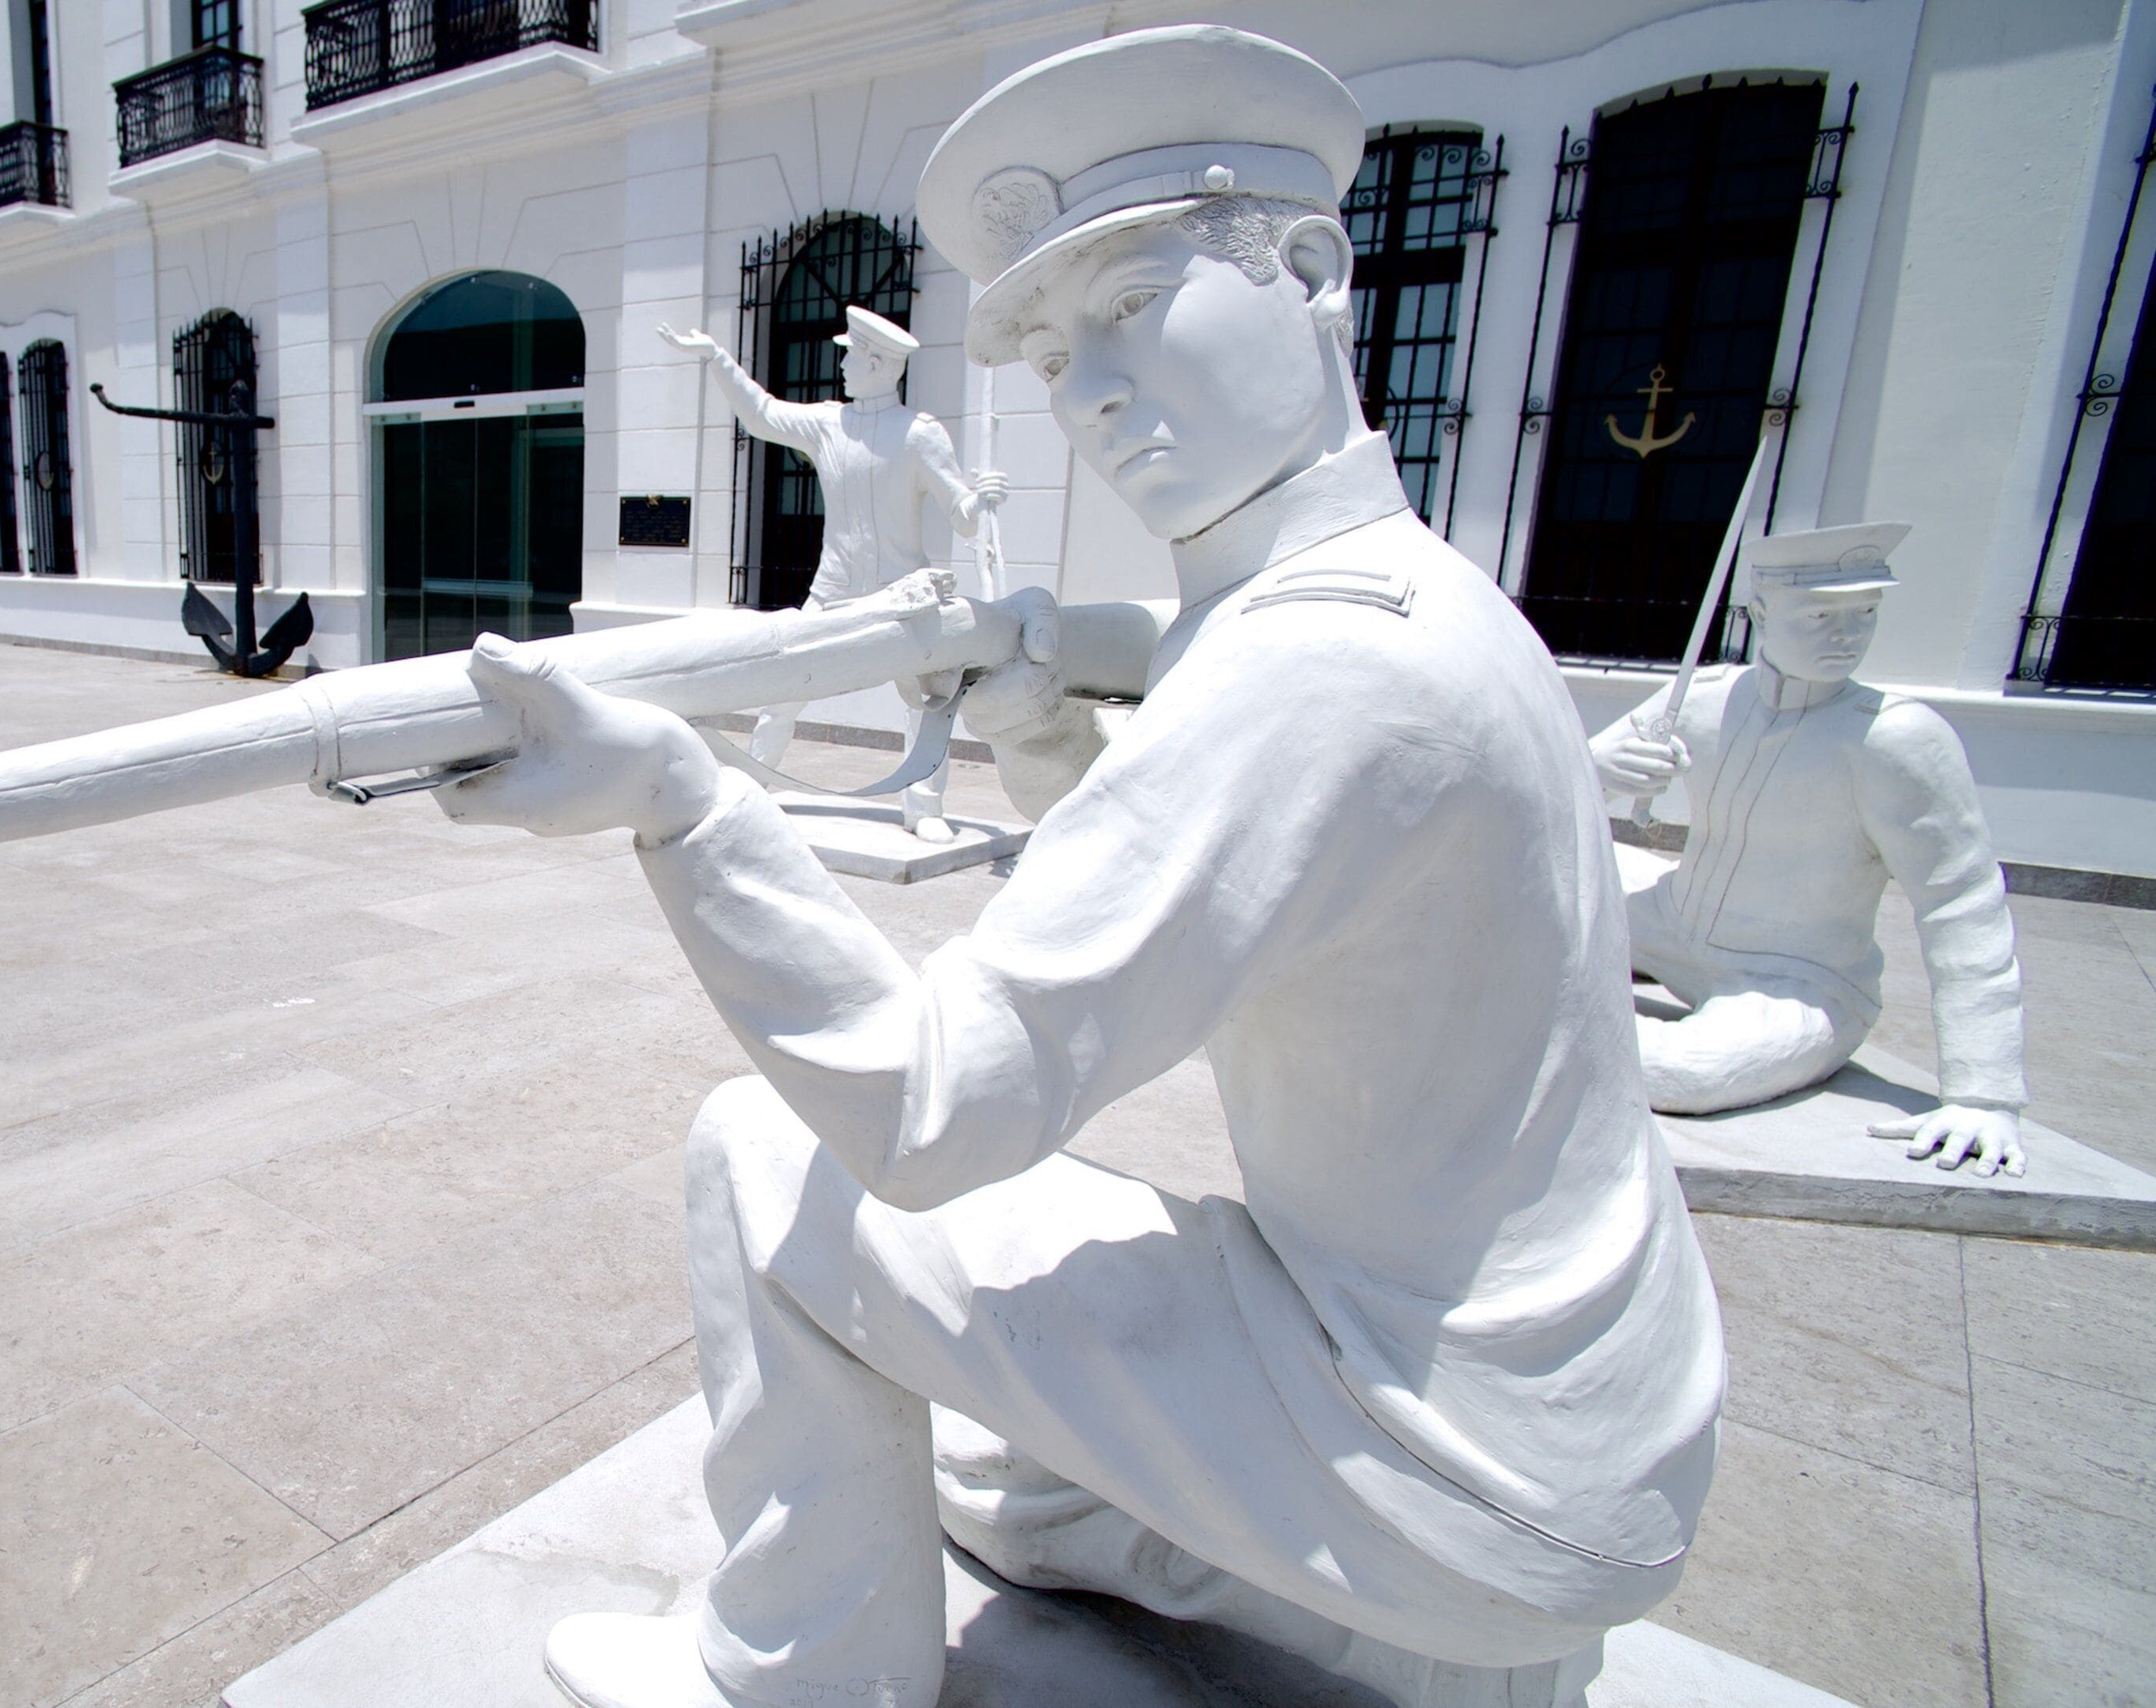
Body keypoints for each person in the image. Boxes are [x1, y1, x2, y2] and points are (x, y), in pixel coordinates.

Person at [437, 27, 1727, 1708]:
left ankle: (792, 1674)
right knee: (990, 1473)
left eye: (1131, 302)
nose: (1092, 391)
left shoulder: (1311, 664)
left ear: (1314, 273)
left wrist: (683, 802)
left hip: (1445, 1450)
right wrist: (1042, 724)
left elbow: (931, 1111)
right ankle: (1382, 1636)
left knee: (760, 1158)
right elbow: (1231, 877)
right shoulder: (1424, 595)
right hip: (1581, 1435)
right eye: (1052, 352)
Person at [1594, 523, 2029, 1173]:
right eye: (1821, 615)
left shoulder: (1895, 739)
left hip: (1798, 981)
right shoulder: (1704, 698)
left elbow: (1961, 903)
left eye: (1865, 613)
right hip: (1668, 923)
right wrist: (1596, 765)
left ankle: (1526, 1021)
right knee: (1515, 900)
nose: (1847, 635)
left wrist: (1984, 1095)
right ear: (1761, 612)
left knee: (1681, 1072)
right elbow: (1555, 791)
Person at [659, 305, 1007, 841]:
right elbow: (762, 415)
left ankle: (925, 807)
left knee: (927, 702)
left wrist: (981, 501)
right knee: (784, 692)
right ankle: (754, 790)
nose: (841, 366)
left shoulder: (919, 433)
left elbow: (960, 513)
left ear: (879, 364)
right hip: (833, 589)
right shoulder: (828, 424)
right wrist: (716, 358)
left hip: (904, 593)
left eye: (851, 357)